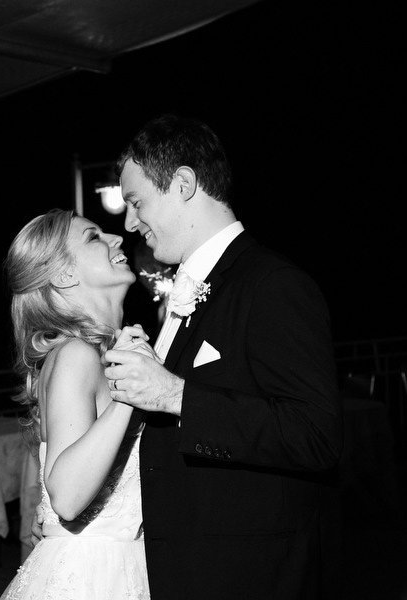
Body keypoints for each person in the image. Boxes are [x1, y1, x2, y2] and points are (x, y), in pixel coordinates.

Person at [104, 114, 343, 599]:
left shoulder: (272, 284)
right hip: (191, 564)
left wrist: (175, 395)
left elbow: (316, 436)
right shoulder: (189, 289)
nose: (129, 222)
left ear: (185, 184)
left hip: (249, 573)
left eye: (136, 201)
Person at [0, 209, 152, 599]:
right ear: (64, 275)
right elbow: (66, 496)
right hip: (92, 577)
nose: (116, 238)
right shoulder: (76, 355)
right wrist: (128, 392)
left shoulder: (100, 353)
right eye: (93, 237)